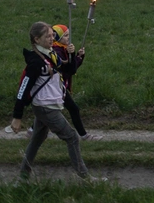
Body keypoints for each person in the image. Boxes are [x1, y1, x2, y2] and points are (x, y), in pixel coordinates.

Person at [10, 22, 102, 182]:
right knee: (72, 137)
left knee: (37, 140)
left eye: (52, 35)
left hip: (47, 105)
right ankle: (86, 178)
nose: (52, 38)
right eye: (48, 36)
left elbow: (70, 70)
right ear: (36, 40)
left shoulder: (51, 55)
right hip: (46, 107)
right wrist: (17, 117)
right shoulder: (36, 62)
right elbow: (23, 89)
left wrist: (73, 55)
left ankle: (22, 177)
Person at [51, 24, 102, 141]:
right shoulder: (57, 51)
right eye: (65, 35)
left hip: (59, 86)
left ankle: (32, 131)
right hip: (57, 86)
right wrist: (73, 55)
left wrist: (79, 57)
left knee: (51, 110)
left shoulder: (62, 48)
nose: (69, 38)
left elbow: (72, 68)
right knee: (73, 109)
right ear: (57, 37)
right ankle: (84, 136)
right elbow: (70, 69)